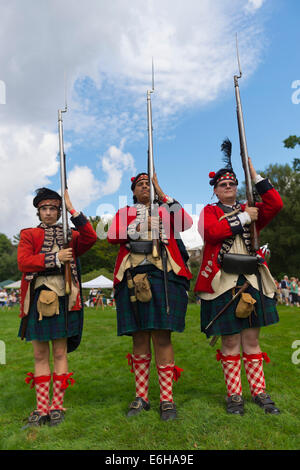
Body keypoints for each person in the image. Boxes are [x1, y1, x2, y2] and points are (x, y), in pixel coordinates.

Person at [194, 139, 283, 416]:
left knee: (252, 340)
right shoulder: (211, 211)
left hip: (251, 278)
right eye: (223, 184)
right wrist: (244, 218)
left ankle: (259, 392)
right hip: (222, 281)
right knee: (230, 342)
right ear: (216, 190)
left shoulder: (251, 208)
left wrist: (254, 174)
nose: (229, 187)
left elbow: (276, 203)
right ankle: (234, 396)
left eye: (232, 183)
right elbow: (212, 233)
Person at [107, 172, 193, 420]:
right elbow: (113, 235)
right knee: (139, 336)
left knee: (162, 336)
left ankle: (167, 398)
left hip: (164, 274)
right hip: (132, 273)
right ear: (133, 191)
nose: (145, 187)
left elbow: (185, 222)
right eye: (141, 185)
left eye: (148, 184)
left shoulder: (165, 209)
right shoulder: (124, 213)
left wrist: (162, 192)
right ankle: (141, 397)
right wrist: (141, 226)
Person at [18, 187, 97, 427]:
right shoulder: (29, 234)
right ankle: (42, 407)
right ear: (38, 211)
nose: (49, 213)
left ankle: (57, 407)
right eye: (45, 208)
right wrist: (54, 259)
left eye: (54, 208)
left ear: (59, 211)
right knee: (40, 354)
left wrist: (73, 210)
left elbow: (91, 237)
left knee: (60, 352)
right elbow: (24, 262)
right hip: (38, 295)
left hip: (64, 296)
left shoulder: (71, 235)